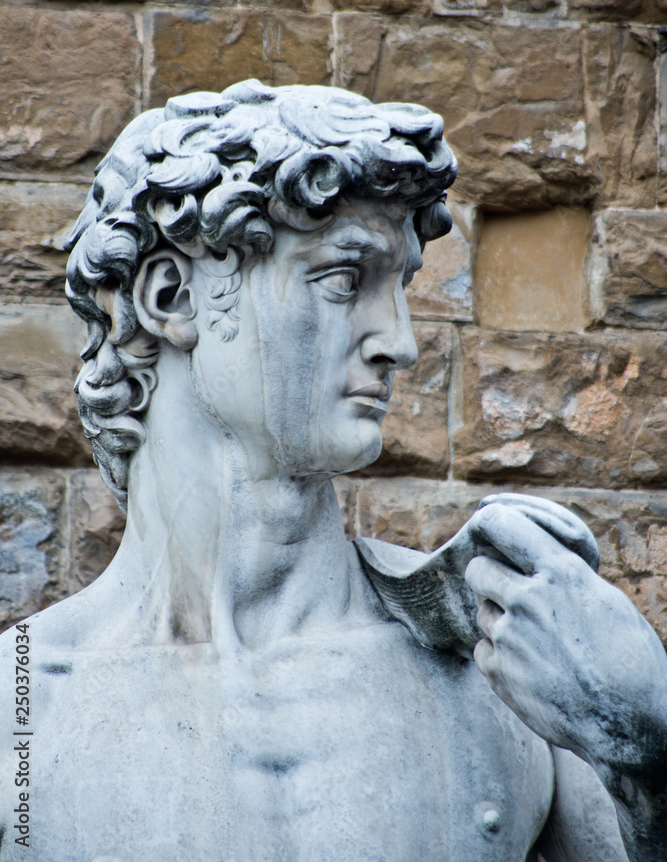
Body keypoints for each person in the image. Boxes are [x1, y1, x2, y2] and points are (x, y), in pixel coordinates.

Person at [0, 81, 665, 861]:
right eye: (344, 281)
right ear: (173, 297)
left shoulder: (512, 668)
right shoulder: (23, 705)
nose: (401, 343)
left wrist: (646, 751)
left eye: (401, 286)